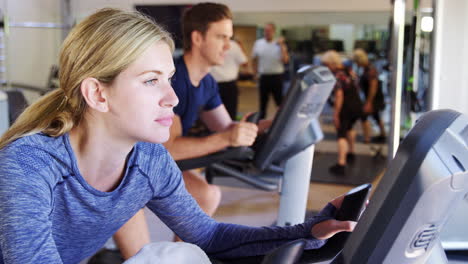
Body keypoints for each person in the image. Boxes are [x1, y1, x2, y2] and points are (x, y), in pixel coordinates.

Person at [0, 7, 356, 263]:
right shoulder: (29, 164)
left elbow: (212, 237)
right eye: (151, 80)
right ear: (97, 94)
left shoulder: (149, 160)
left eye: (169, 79)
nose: (172, 98)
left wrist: (310, 231)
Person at [321, 50, 363, 175]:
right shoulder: (350, 71)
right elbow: (357, 86)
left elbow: (339, 95)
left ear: (332, 63)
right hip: (356, 104)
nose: (325, 67)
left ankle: (341, 163)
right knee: (350, 128)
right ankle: (351, 152)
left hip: (346, 107)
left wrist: (336, 114)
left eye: (326, 64)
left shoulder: (337, 75)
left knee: (341, 134)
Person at [252, 22, 289, 119]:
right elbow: (254, 60)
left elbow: (285, 60)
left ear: (274, 32)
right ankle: (261, 124)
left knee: (279, 102)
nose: (267, 32)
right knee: (263, 103)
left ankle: (282, 120)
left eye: (269, 31)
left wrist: (281, 46)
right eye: (265, 30)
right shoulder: (258, 43)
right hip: (264, 76)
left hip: (277, 77)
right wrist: (255, 73)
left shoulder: (279, 44)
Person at [353, 48, 386, 143]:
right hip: (372, 97)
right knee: (376, 116)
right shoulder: (365, 69)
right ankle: (382, 135)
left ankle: (367, 138)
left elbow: (373, 86)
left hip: (373, 97)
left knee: (364, 115)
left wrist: (369, 102)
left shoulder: (370, 70)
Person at [211, 39, 248, 120]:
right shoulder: (234, 45)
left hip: (211, 84)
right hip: (229, 86)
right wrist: (241, 48)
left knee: (211, 115)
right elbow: (245, 63)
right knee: (230, 115)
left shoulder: (211, 42)